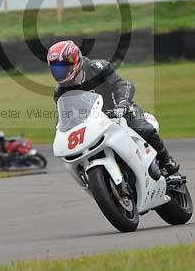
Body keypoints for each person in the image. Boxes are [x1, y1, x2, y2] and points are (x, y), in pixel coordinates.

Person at [47, 40, 180, 175]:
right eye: (55, 69)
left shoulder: (98, 68)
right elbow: (65, 116)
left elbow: (123, 85)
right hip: (94, 124)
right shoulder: (61, 92)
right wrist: (62, 127)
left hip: (119, 111)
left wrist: (123, 104)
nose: (59, 72)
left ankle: (166, 161)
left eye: (62, 67)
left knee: (143, 128)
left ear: (74, 62)